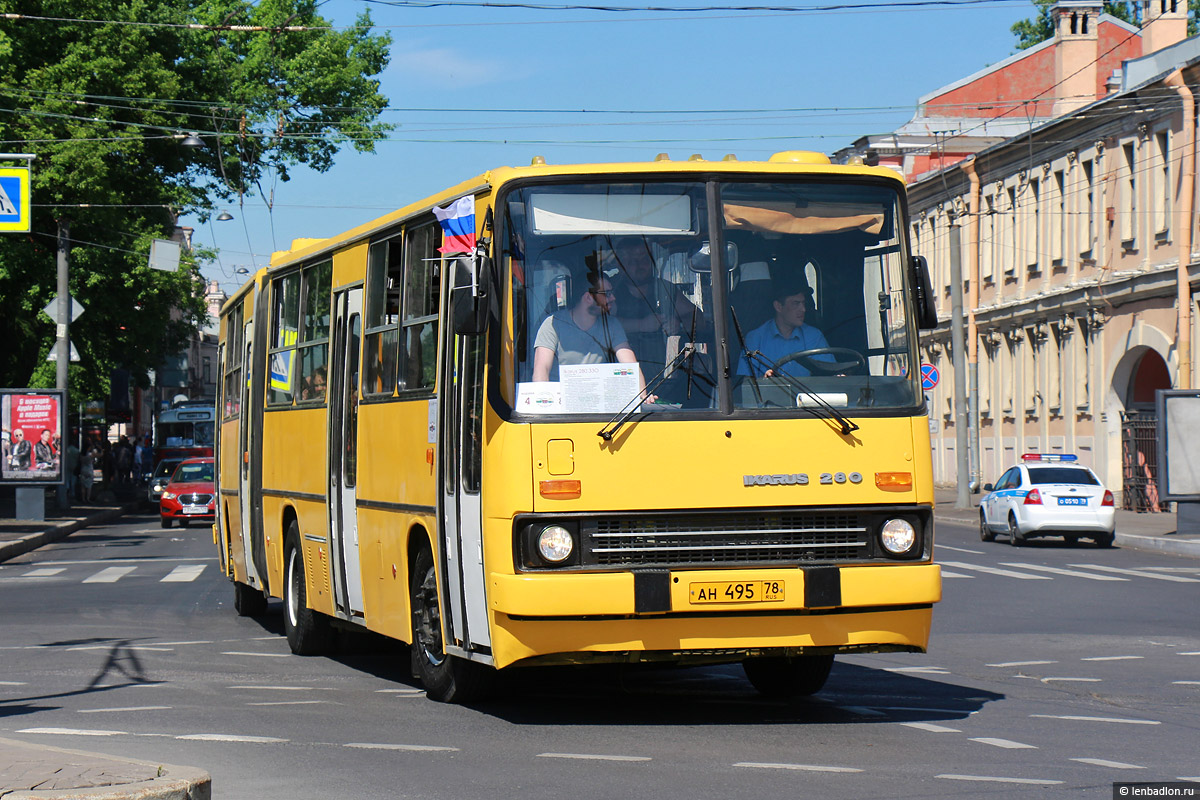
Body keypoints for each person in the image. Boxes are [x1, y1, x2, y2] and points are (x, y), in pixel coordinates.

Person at [532, 269, 640, 382]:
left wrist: (643, 396)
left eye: (612, 293)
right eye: (607, 294)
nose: (613, 298)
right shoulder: (553, 324)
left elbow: (630, 366)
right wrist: (544, 396)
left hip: (598, 396)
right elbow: (541, 370)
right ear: (588, 297)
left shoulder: (612, 325)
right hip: (561, 397)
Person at [735, 274, 833, 379]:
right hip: (768, 395)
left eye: (803, 303)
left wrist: (837, 377)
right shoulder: (755, 338)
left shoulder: (814, 336)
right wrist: (765, 381)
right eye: (796, 303)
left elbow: (828, 375)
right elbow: (746, 384)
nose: (803, 309)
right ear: (778, 306)